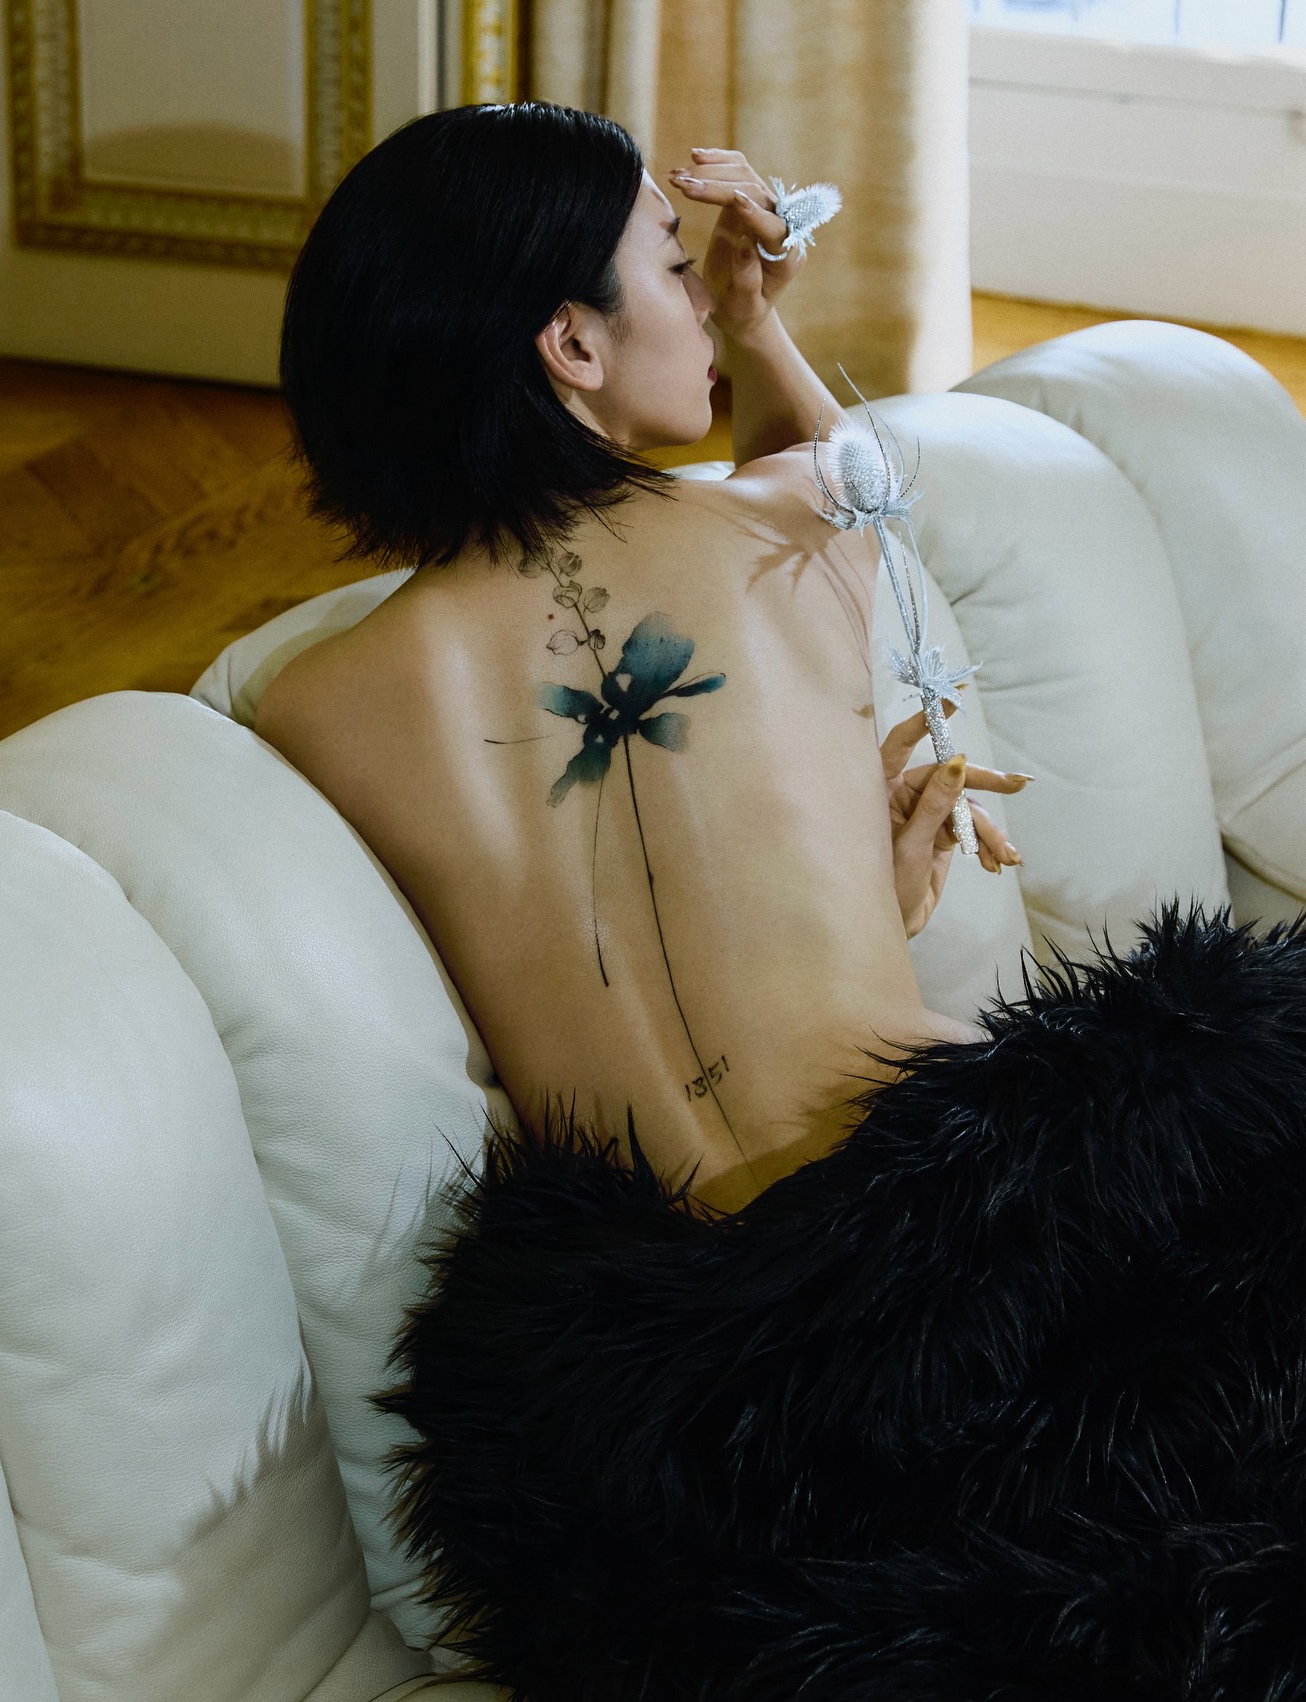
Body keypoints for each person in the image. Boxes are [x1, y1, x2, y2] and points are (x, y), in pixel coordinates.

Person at [258, 102, 1027, 1210]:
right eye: (675, 267)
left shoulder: (316, 703)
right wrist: (757, 323)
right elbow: (854, 477)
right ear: (573, 345)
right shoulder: (780, 524)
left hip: (659, 1297)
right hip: (952, 1208)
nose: (705, 295)